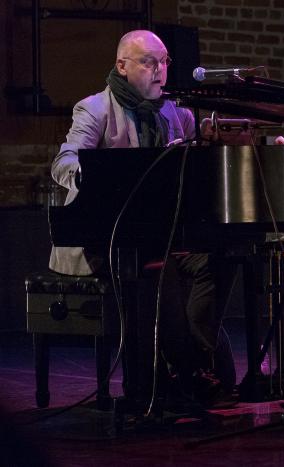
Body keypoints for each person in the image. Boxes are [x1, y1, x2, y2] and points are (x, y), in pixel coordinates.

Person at [49, 30, 235, 405]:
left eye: (164, 61)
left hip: (167, 232)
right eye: (149, 62)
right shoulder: (95, 109)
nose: (160, 70)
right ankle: (189, 370)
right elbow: (64, 161)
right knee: (156, 267)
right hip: (111, 239)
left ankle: (193, 357)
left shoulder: (176, 112)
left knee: (221, 255)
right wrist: (94, 176)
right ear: (122, 65)